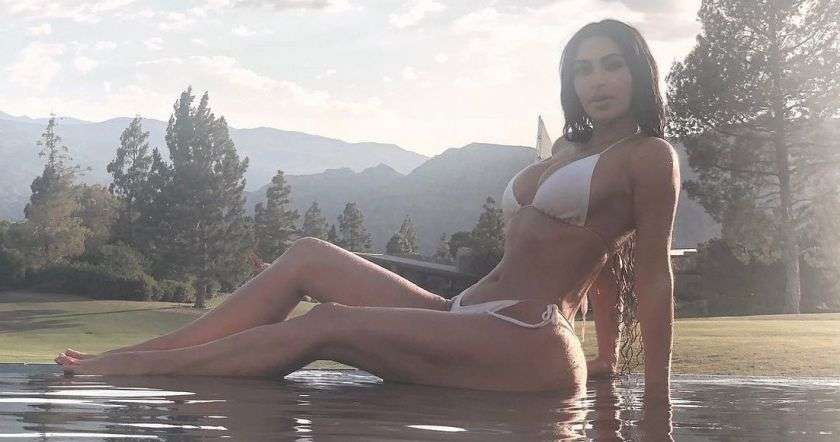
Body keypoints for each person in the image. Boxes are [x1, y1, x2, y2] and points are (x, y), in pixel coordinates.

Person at [56, 18, 679, 406]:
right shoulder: (570, 148)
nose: (597, 81)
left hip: (526, 337)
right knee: (307, 256)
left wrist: (655, 397)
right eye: (583, 69)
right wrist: (605, 359)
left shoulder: (648, 156)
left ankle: (138, 368)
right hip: (464, 312)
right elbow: (605, 266)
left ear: (639, 72)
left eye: (612, 65)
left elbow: (651, 271)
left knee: (329, 322)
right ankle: (153, 351)